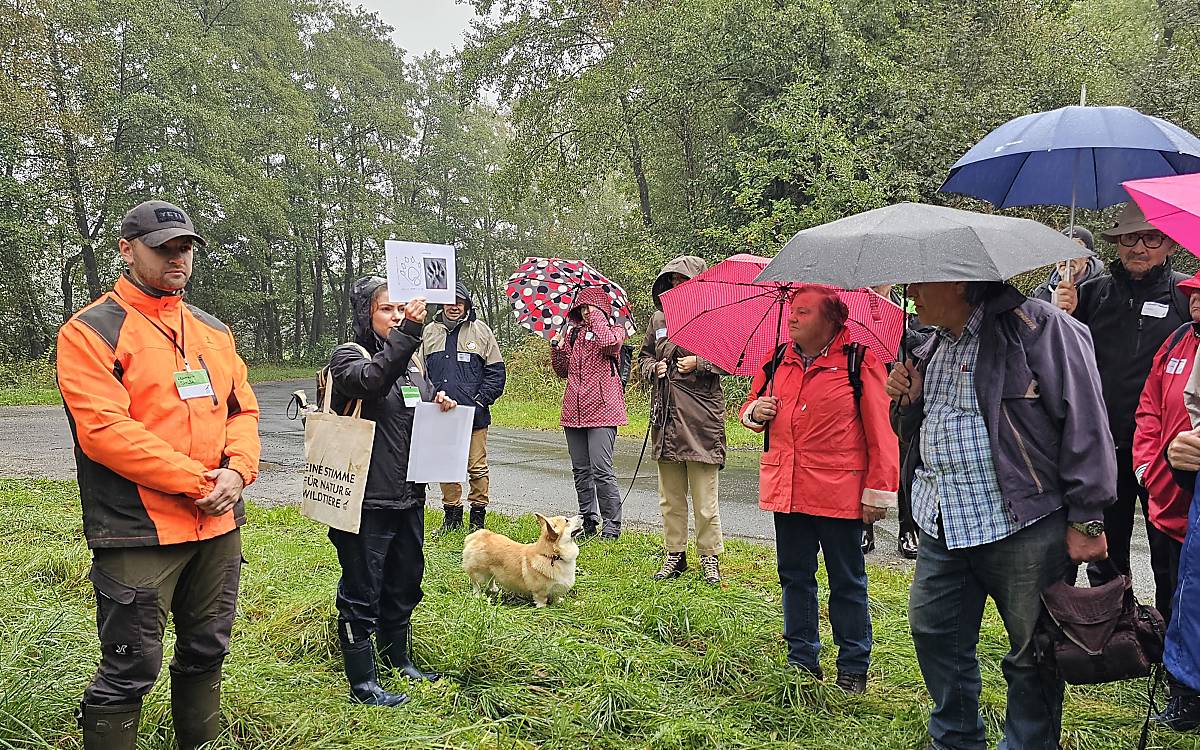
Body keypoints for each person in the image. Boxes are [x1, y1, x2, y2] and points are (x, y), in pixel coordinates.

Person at [57, 200, 260, 749]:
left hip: (217, 527)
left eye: (185, 246)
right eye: (162, 247)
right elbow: (105, 430)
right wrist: (202, 483)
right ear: (127, 250)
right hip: (139, 531)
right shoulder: (91, 331)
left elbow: (242, 409)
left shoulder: (213, 332)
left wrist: (239, 470)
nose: (178, 257)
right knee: (129, 669)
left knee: (207, 649)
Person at [887, 280, 1114, 750]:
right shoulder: (929, 343)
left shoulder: (1043, 328)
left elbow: (1087, 423)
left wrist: (1088, 517)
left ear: (959, 281)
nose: (911, 291)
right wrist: (906, 402)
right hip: (943, 519)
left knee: (1033, 653)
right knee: (934, 634)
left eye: (920, 281)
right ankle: (955, 738)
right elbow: (919, 429)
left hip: (1022, 523)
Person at [740, 286, 898, 693]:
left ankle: (852, 666)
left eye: (803, 312)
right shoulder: (777, 359)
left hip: (839, 494)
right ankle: (801, 661)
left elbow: (882, 433)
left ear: (831, 320)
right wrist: (755, 411)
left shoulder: (858, 363)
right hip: (787, 489)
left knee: (846, 581)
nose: (792, 318)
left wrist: (878, 490)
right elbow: (751, 402)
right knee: (794, 577)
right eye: (792, 310)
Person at [326, 277, 455, 707]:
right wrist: (410, 335)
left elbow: (408, 409)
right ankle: (363, 683)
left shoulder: (412, 364)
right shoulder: (348, 357)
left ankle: (398, 659)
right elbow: (374, 382)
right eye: (387, 309)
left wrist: (439, 403)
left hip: (408, 493)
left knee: (404, 582)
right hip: (364, 497)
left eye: (401, 309)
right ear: (366, 314)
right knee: (362, 589)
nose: (397, 315)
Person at [1059, 201, 1187, 601]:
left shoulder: (1186, 296)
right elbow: (1063, 360)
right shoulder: (1089, 294)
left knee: (1170, 553)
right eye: (1130, 237)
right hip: (1104, 447)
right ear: (1116, 243)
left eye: (1151, 238)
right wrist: (1062, 315)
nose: (1140, 247)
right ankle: (1115, 638)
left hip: (1165, 452)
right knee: (1106, 554)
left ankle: (1170, 645)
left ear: (1168, 244)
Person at [1135, 271, 1200, 730]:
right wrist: (1146, 468)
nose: (1195, 300)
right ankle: (1179, 683)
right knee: (1174, 592)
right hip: (1166, 500)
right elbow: (1150, 408)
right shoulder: (1177, 342)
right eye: (1192, 294)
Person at [638, 256, 727, 584]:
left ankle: (710, 556)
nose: (677, 285)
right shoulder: (658, 317)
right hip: (666, 417)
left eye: (683, 280)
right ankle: (675, 554)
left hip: (702, 420)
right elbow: (644, 356)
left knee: (705, 498)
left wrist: (700, 363)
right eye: (672, 280)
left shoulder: (713, 316)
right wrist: (652, 369)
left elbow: (731, 357)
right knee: (670, 495)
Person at [422, 282, 506, 532]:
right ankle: (452, 519)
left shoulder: (482, 332)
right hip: (440, 413)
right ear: (441, 304)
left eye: (459, 301)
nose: (454, 306)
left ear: (467, 304)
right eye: (449, 301)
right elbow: (418, 372)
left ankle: (477, 521)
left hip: (473, 414)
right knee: (446, 465)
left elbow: (496, 373)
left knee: (476, 467)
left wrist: (480, 401)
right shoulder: (429, 332)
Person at [550, 286, 628, 539]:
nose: (585, 312)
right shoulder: (574, 335)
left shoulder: (616, 331)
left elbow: (608, 344)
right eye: (582, 308)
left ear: (602, 310)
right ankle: (588, 521)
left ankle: (612, 526)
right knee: (581, 469)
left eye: (590, 308)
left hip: (604, 411)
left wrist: (597, 317)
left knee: (601, 468)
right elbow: (563, 371)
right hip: (574, 410)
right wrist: (558, 348)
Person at [1030, 226, 1101, 306]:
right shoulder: (1041, 293)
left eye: (1075, 249)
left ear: (1088, 256)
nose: (1066, 258)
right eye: (1060, 250)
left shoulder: (1103, 291)